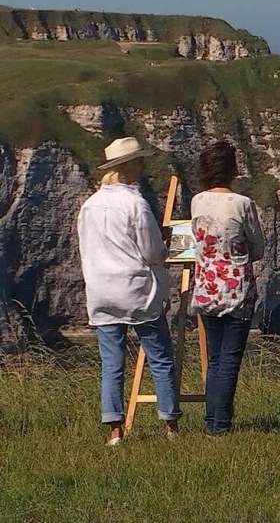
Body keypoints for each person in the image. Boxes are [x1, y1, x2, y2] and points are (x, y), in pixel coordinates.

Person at [77, 137, 181, 445]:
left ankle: (115, 431)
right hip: (136, 292)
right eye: (139, 161)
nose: (143, 166)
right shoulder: (135, 203)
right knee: (160, 357)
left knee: (112, 364)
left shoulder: (89, 205)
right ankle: (170, 426)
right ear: (128, 167)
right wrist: (166, 241)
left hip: (101, 291)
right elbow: (152, 253)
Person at [190, 141, 265, 436]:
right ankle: (220, 424)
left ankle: (212, 420)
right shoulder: (241, 204)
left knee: (215, 357)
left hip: (206, 288)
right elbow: (257, 247)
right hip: (236, 290)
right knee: (229, 358)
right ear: (232, 169)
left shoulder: (197, 202)